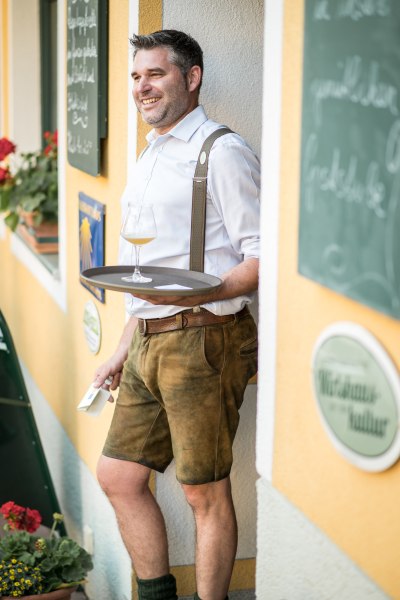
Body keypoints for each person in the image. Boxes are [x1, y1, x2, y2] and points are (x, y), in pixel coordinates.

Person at [94, 30, 260, 600]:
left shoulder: (222, 151)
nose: (142, 87)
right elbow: (147, 273)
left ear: (191, 78)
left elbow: (263, 258)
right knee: (118, 477)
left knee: (203, 493)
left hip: (203, 339)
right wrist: (122, 344)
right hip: (147, 339)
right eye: (137, 76)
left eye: (156, 74)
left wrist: (191, 298)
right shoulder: (150, 150)